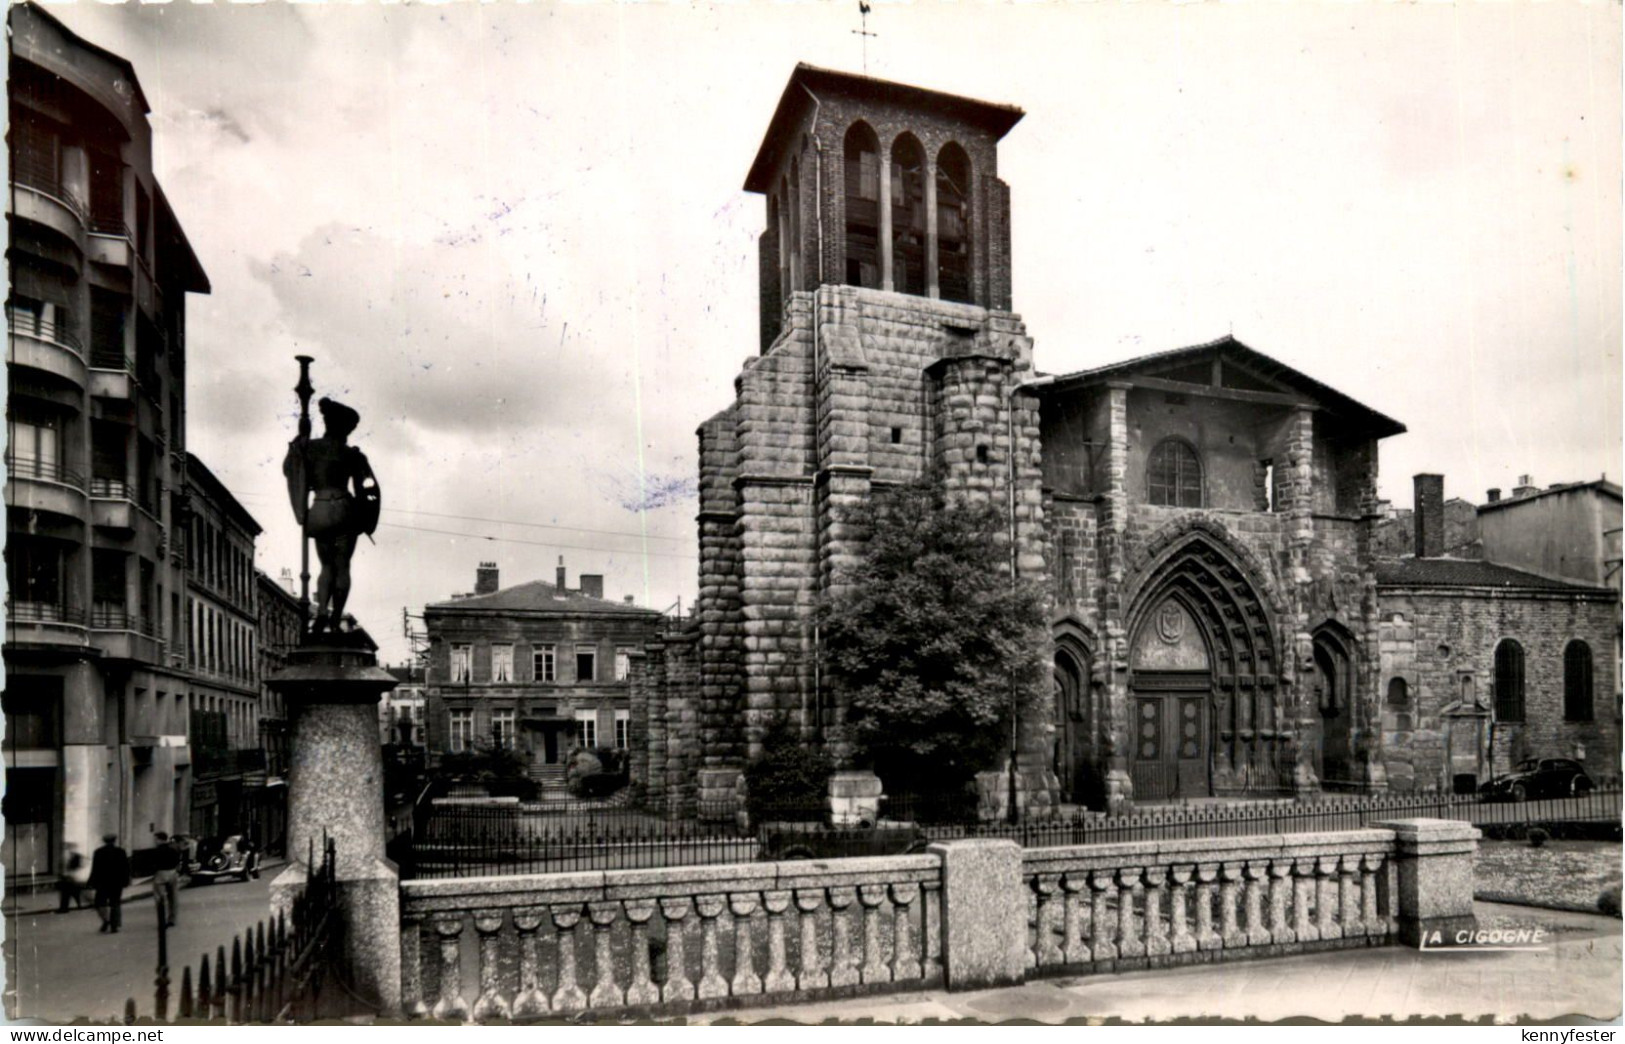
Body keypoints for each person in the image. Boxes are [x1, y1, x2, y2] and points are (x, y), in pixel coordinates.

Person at [283, 397, 380, 632]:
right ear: (344, 428)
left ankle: (322, 614)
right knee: (342, 566)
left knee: (325, 566)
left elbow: (290, 470)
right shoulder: (352, 455)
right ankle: (336, 618)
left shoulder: (309, 448)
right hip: (344, 510)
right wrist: (366, 517)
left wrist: (297, 443)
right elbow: (367, 488)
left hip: (319, 511)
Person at [88, 833, 130, 934]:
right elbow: (125, 868)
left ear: (104, 841)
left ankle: (106, 920)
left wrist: (91, 881)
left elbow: (95, 868)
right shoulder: (121, 852)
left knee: (99, 903)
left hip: (102, 882)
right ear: (115, 841)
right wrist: (126, 880)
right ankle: (114, 925)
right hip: (117, 882)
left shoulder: (98, 852)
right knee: (115, 903)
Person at [150, 831, 182, 927]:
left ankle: (162, 918)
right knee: (173, 897)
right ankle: (172, 918)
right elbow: (177, 861)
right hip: (172, 872)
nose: (154, 841)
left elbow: (152, 863)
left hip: (160, 873)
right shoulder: (172, 849)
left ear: (159, 839)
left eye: (155, 839)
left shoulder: (156, 851)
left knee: (159, 897)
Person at [55, 843, 85, 913]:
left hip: (72, 877)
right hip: (66, 877)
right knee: (67, 893)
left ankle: (65, 908)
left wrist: (73, 873)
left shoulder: (77, 856)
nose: (68, 850)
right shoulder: (65, 856)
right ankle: (65, 907)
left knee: (68, 893)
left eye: (70, 848)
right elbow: (62, 866)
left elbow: (79, 866)